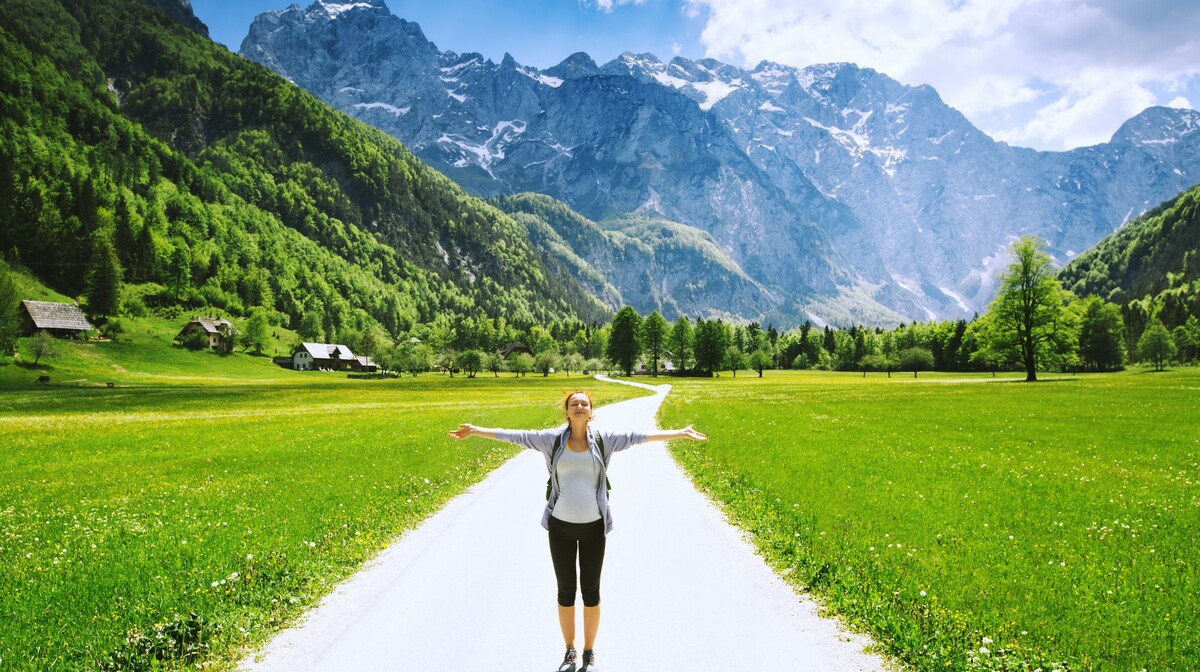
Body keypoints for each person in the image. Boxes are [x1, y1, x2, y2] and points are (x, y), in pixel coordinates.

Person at [449, 389, 707, 672]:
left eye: (584, 403)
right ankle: (570, 651)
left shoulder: (603, 440)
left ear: (591, 410)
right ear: (568, 412)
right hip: (559, 526)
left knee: (592, 593)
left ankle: (589, 653)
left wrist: (679, 433)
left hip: (594, 527)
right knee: (565, 592)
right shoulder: (552, 440)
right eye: (574, 404)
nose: (580, 406)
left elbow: (639, 437)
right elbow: (516, 435)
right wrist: (475, 430)